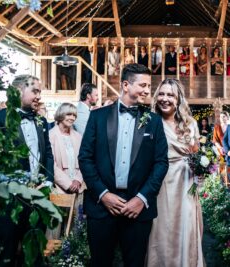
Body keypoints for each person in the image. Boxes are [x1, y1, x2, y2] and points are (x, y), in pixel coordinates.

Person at [78, 63, 168, 267]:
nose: (147, 90)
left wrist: (141, 198)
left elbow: (160, 163)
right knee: (100, 262)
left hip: (137, 208)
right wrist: (103, 194)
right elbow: (85, 157)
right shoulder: (97, 116)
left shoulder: (154, 121)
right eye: (143, 85)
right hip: (102, 207)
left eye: (149, 86)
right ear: (126, 85)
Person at [0, 74, 54, 266]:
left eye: (39, 92)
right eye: (34, 91)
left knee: (33, 257)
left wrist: (48, 181)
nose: (38, 96)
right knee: (6, 254)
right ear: (17, 92)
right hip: (9, 201)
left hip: (38, 199)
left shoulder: (41, 122)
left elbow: (48, 153)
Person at [145, 79, 204, 266]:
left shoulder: (190, 124)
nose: (165, 99)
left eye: (170, 95)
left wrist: (200, 170)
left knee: (185, 226)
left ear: (178, 99)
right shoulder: (150, 121)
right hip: (159, 182)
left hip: (185, 183)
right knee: (161, 227)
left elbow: (197, 154)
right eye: (161, 94)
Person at [50, 103, 85, 196]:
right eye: (69, 114)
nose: (72, 118)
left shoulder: (78, 136)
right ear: (61, 114)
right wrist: (68, 184)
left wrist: (78, 180)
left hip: (79, 188)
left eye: (74, 115)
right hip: (59, 189)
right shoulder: (51, 136)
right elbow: (51, 165)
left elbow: (84, 160)